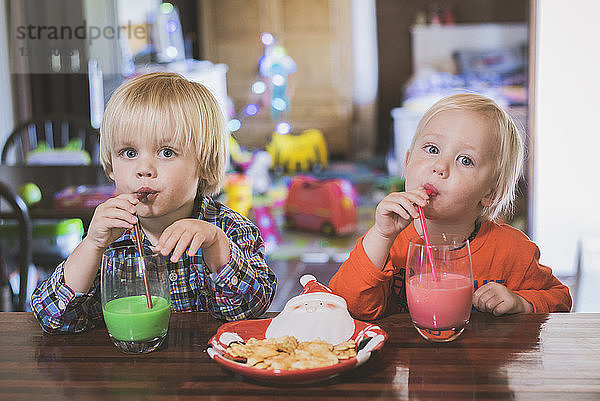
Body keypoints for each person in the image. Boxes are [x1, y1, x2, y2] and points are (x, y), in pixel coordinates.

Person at [31, 72, 277, 333]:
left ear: (204, 163)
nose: (144, 169)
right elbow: (54, 319)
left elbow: (251, 310)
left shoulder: (230, 228)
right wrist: (92, 245)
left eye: (167, 152)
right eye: (129, 153)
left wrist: (216, 245)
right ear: (112, 167)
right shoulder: (107, 237)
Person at [329, 93, 572, 320]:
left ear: (491, 193)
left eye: (465, 160)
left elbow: (560, 300)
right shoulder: (388, 244)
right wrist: (381, 235)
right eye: (432, 149)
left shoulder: (514, 251)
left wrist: (521, 302)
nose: (440, 167)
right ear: (407, 161)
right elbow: (345, 307)